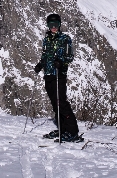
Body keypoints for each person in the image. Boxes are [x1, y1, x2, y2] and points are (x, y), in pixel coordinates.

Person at [34, 13, 82, 142]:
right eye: (51, 25)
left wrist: (61, 62)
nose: (54, 27)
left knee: (61, 102)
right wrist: (40, 64)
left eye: (56, 25)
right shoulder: (46, 39)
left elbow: (69, 56)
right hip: (48, 74)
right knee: (55, 104)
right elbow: (45, 56)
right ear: (48, 26)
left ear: (60, 25)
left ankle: (72, 132)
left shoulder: (65, 38)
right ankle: (62, 129)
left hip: (59, 74)